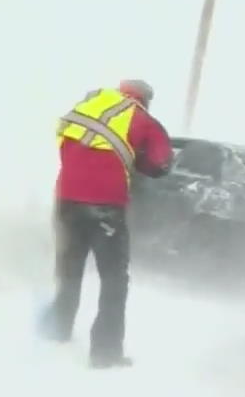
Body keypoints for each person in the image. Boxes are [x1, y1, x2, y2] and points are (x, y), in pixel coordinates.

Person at [38, 79, 173, 368]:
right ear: (145, 99)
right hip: (106, 206)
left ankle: (57, 331)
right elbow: (160, 165)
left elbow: (63, 137)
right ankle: (105, 353)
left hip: (67, 200)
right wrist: (137, 160)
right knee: (113, 280)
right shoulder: (144, 120)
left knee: (69, 269)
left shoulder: (88, 103)